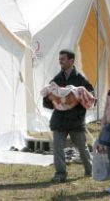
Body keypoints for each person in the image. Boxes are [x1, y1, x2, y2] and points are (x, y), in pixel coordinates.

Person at [43, 50, 94, 183]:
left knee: (82, 149)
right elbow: (46, 103)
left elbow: (92, 97)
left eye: (63, 59)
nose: (60, 61)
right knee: (58, 148)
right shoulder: (56, 80)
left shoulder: (80, 78)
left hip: (75, 121)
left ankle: (90, 169)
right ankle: (60, 174)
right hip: (59, 121)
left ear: (71, 61)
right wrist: (51, 98)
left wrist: (77, 98)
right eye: (59, 59)